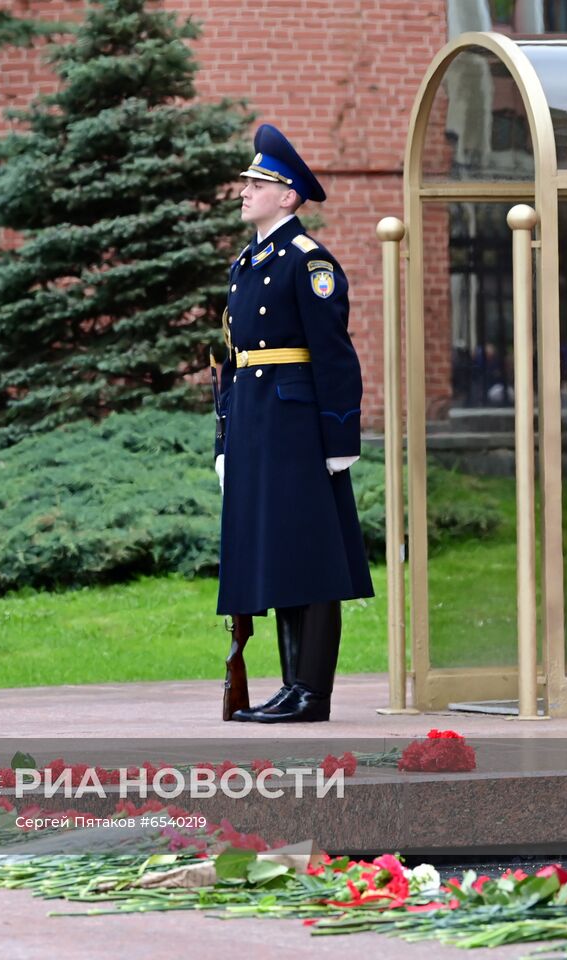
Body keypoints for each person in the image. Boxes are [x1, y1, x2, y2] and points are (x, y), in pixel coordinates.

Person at [214, 125, 374, 724]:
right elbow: (231, 361)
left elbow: (334, 354)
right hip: (257, 424)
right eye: (248, 180)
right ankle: (289, 688)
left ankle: (313, 691)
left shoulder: (310, 263)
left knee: (311, 556)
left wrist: (340, 437)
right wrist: (226, 438)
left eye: (259, 182)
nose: (245, 189)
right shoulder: (247, 264)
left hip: (298, 426)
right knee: (279, 553)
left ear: (288, 197)